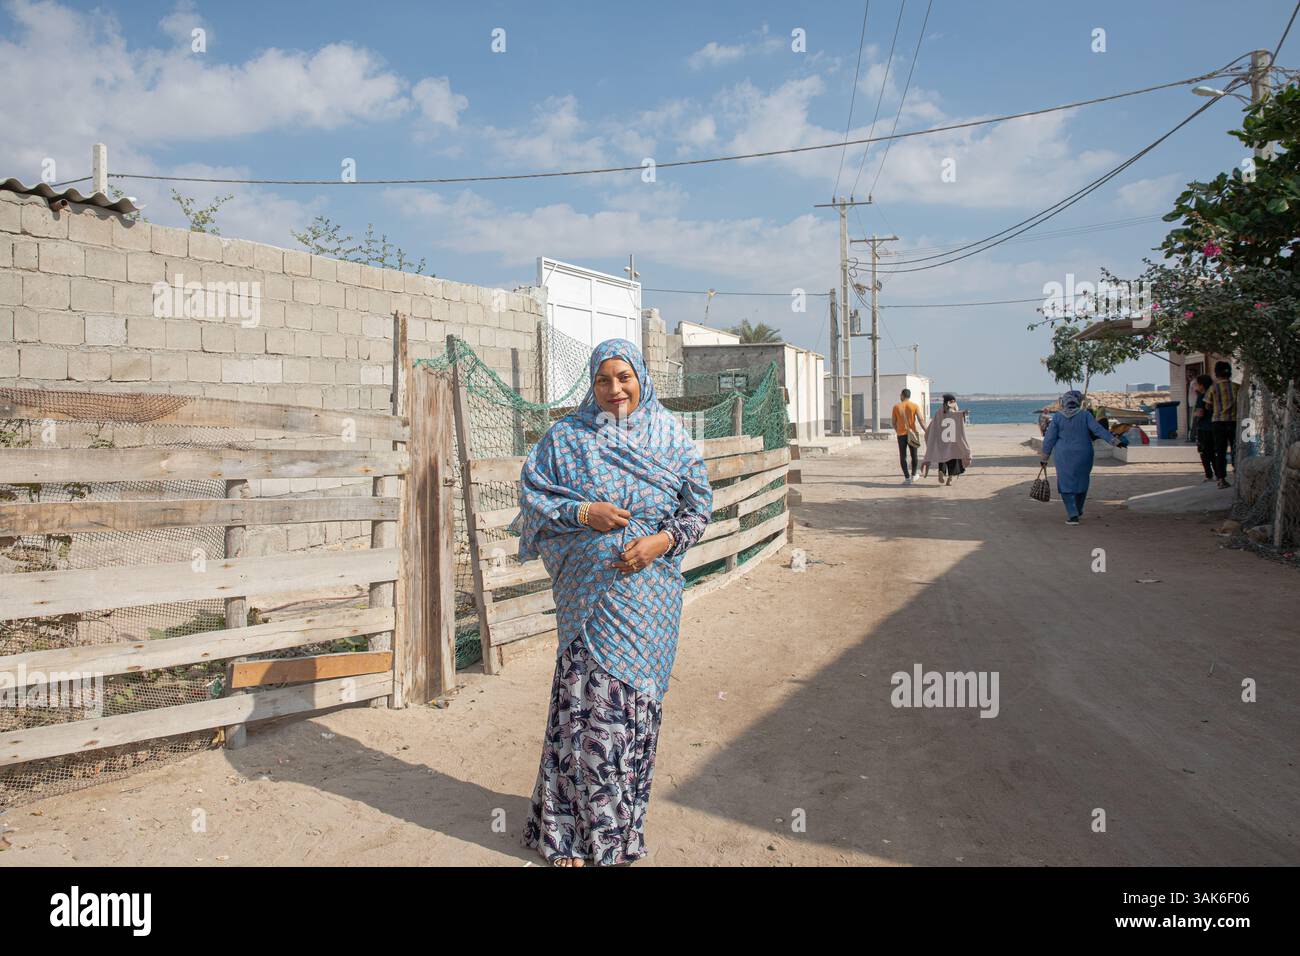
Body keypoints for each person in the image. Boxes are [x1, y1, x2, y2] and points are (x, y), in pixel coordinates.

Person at [513, 338, 712, 867]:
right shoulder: (565, 439)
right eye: (603, 380)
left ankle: (619, 833)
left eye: (623, 377)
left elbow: (698, 511)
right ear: (591, 385)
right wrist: (585, 515)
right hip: (587, 607)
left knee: (633, 716)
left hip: (649, 607)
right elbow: (534, 498)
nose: (615, 389)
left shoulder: (671, 437)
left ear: (641, 378)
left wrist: (659, 543)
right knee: (585, 715)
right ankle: (570, 839)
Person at [1039, 389, 1123, 525]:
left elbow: (1049, 439)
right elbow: (1098, 430)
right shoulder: (1085, 415)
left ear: (1064, 402)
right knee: (1082, 481)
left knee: (1065, 483)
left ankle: (1072, 514)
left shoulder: (1058, 418)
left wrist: (1044, 458)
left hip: (1064, 455)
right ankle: (1078, 509)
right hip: (1084, 454)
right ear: (1078, 401)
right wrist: (1114, 441)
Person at [921, 393, 972, 486]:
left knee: (942, 458)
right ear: (952, 402)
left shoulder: (938, 412)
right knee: (954, 459)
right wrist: (964, 412)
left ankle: (941, 471)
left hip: (942, 441)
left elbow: (933, 425)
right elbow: (959, 416)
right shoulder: (954, 412)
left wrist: (929, 435)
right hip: (952, 441)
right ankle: (950, 478)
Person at [1203, 360, 1238, 489]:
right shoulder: (1236, 387)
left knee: (1220, 450)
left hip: (1217, 422)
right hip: (1233, 421)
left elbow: (1207, 405)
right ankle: (1237, 473)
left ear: (1216, 374)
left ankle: (1221, 479)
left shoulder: (1213, 388)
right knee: (1235, 448)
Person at [891, 388, 926, 484]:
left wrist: (898, 430)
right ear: (909, 396)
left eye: (900, 395)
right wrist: (926, 430)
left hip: (901, 434)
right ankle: (914, 475)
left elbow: (893, 422)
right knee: (914, 455)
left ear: (902, 395)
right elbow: (920, 420)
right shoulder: (914, 406)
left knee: (903, 456)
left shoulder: (896, 407)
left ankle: (907, 478)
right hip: (913, 434)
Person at [1190, 373, 1216, 482]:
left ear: (1201, 385)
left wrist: (1195, 414)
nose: (1195, 386)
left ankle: (1209, 474)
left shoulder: (1202, 396)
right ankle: (1219, 474)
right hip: (1215, 426)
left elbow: (1200, 413)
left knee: (1204, 453)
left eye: (1197, 384)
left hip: (1204, 428)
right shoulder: (1214, 393)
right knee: (1214, 452)